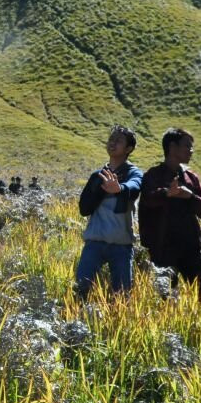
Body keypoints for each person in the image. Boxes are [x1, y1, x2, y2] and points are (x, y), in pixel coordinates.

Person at [138, 128, 201, 292]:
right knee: (164, 298)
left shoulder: (191, 178)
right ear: (172, 147)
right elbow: (147, 200)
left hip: (190, 248)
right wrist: (167, 193)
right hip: (161, 248)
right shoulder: (153, 175)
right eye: (187, 146)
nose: (191, 151)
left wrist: (190, 196)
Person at [74, 126, 143, 299]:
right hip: (94, 243)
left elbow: (135, 187)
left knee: (121, 296)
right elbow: (84, 208)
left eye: (118, 140)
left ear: (129, 149)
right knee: (80, 290)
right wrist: (100, 191)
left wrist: (119, 188)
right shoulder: (97, 176)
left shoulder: (133, 173)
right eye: (111, 139)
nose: (112, 142)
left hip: (121, 244)